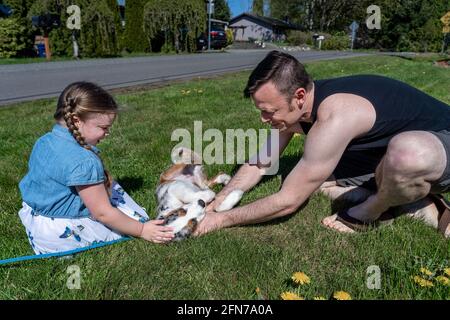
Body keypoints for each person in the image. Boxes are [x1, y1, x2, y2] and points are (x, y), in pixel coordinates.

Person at [194, 50, 450, 238]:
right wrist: (222, 197)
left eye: (269, 111)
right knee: (314, 183)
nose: (264, 119)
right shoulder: (297, 111)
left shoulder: (334, 116)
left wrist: (221, 220)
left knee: (407, 154)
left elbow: (288, 201)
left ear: (300, 96)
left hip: (438, 143)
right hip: (382, 149)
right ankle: (413, 199)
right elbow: (262, 162)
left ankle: (373, 210)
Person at [18, 82, 174, 254]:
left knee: (111, 191)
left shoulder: (44, 141)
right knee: (133, 216)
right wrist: (142, 230)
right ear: (76, 121)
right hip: (60, 236)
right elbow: (102, 214)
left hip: (37, 223)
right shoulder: (84, 161)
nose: (107, 133)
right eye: (104, 128)